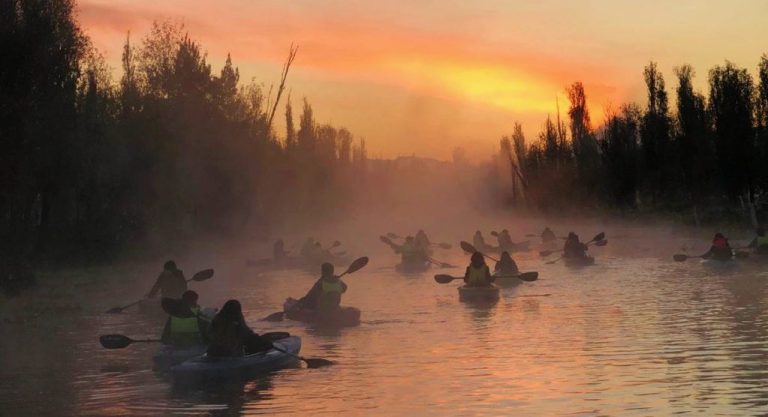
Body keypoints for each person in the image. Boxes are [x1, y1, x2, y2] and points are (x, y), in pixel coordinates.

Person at [207, 300, 274, 357]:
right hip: (230, 356)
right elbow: (249, 337)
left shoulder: (216, 320)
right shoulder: (236, 324)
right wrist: (265, 344)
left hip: (213, 353)